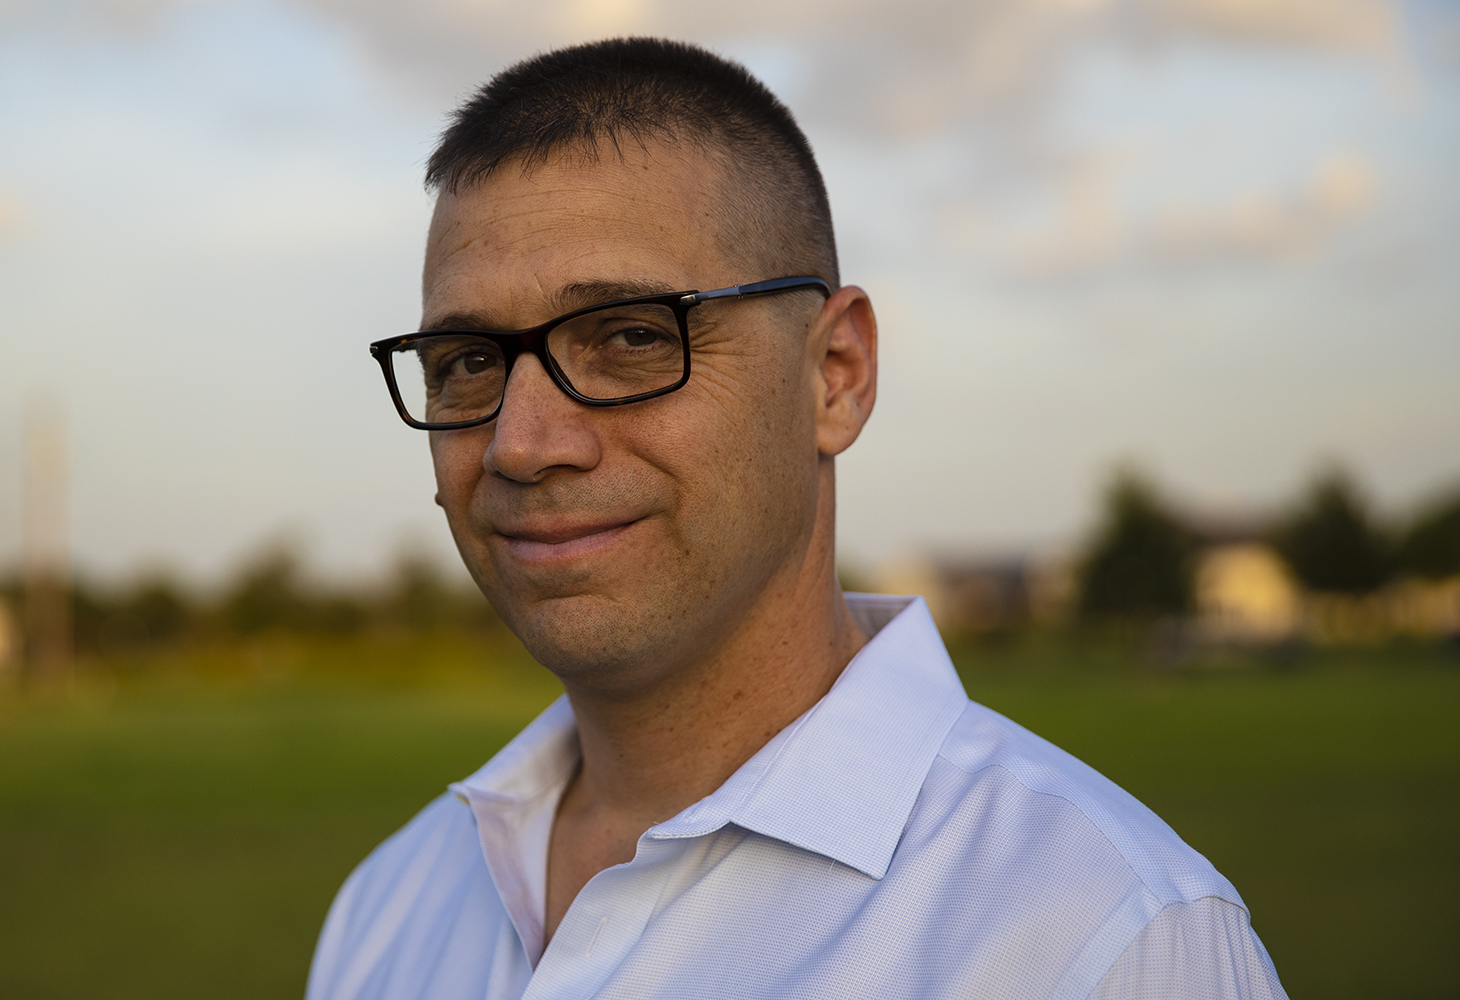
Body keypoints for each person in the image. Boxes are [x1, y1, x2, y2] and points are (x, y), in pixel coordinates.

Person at [307, 37, 1286, 1000]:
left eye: (632, 336)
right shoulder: (391, 905)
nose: (521, 444)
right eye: (469, 362)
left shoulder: (1110, 940)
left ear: (836, 375)